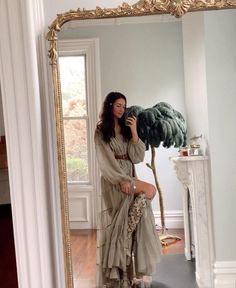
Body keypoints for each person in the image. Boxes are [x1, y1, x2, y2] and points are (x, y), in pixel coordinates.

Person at [94, 92, 161, 288]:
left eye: (124, 106)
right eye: (118, 106)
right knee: (149, 191)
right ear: (109, 106)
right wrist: (121, 179)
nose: (122, 109)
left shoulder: (124, 128)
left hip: (129, 174)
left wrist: (133, 132)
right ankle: (119, 267)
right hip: (114, 180)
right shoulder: (101, 130)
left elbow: (137, 157)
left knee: (129, 222)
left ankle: (126, 274)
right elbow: (104, 160)